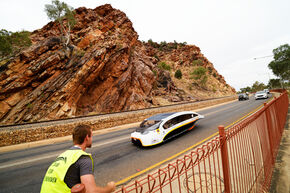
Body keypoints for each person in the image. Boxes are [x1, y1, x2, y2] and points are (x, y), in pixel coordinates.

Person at [40, 124, 116, 193]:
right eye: (91, 136)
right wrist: (109, 188)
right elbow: (91, 191)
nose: (92, 139)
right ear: (87, 137)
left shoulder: (63, 156)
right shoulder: (83, 158)